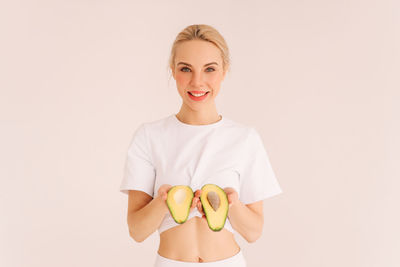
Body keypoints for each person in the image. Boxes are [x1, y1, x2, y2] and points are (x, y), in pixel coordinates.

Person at [119, 24, 283, 267]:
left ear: (224, 71)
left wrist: (232, 205)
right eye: (186, 69)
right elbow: (137, 230)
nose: (197, 82)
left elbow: (253, 232)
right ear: (173, 71)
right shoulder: (149, 136)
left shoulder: (245, 138)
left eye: (210, 69)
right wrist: (162, 202)